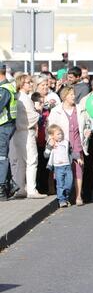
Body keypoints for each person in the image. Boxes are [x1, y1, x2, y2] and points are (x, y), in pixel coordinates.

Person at [48, 85, 88, 206]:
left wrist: (87, 131)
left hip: (77, 142)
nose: (74, 96)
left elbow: (87, 123)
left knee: (78, 169)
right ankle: (63, 196)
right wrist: (51, 140)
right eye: (71, 95)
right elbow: (50, 128)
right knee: (62, 172)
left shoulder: (80, 109)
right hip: (62, 145)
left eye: (74, 94)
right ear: (64, 96)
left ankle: (78, 196)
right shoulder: (56, 111)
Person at [10, 75, 46, 199]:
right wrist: (38, 111)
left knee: (21, 162)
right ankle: (31, 189)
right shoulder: (25, 98)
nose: (31, 84)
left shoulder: (17, 97)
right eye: (28, 82)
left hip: (17, 132)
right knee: (32, 160)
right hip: (26, 131)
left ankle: (21, 189)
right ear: (21, 84)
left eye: (31, 82)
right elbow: (32, 116)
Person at [0, 66, 18, 201]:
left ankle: (2, 188)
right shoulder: (7, 87)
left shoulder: (4, 89)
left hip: (4, 126)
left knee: (1, 158)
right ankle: (11, 185)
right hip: (6, 126)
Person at [45, 124, 74, 208]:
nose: (60, 135)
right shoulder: (51, 144)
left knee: (69, 183)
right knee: (60, 184)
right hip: (58, 168)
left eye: (61, 133)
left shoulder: (66, 142)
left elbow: (70, 152)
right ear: (52, 136)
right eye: (58, 134)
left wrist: (77, 158)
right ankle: (62, 200)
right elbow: (46, 155)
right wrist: (50, 146)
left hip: (67, 166)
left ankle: (66, 196)